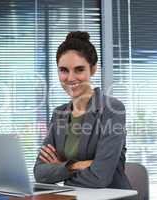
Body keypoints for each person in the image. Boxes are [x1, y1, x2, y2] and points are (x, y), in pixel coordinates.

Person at [33, 31, 132, 190]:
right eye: (64, 70)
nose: (71, 78)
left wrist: (59, 168)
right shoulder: (59, 114)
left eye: (79, 69)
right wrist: (73, 166)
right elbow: (40, 173)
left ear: (92, 69)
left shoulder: (112, 109)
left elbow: (99, 178)